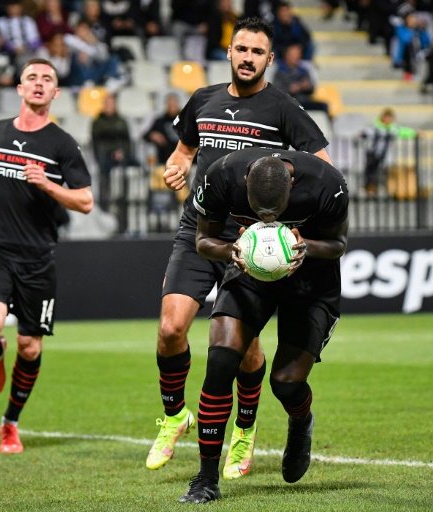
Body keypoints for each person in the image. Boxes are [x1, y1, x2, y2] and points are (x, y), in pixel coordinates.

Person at [147, 17, 331, 480]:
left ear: (270, 59)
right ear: (229, 52)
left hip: (252, 240)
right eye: (242, 49)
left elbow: (322, 171)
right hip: (199, 229)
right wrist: (175, 167)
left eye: (257, 52)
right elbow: (184, 151)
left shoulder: (284, 108)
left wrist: (287, 226)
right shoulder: (202, 99)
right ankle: (174, 416)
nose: (248, 58)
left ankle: (244, 430)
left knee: (241, 347)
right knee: (170, 329)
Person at [177, 148, 349, 503]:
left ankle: (301, 421)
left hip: (311, 279)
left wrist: (306, 246)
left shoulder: (327, 183)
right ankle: (205, 480)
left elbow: (338, 244)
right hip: (248, 270)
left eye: (276, 212)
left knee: (286, 383)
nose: (268, 218)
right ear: (245, 183)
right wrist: (231, 251)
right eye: (260, 212)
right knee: (220, 363)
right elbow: (202, 241)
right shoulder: (220, 176)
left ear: (292, 184)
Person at [0, 58, 93, 454]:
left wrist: (48, 185)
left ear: (55, 93)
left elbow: (85, 201)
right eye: (31, 77)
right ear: (19, 88)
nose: (38, 83)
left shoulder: (62, 144)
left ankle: (10, 424)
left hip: (37, 256)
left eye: (47, 79)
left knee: (31, 348)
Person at [91, 94, 138, 210]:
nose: (109, 106)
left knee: (135, 165)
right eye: (107, 104)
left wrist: (122, 152)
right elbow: (97, 143)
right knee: (104, 169)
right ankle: (104, 203)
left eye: (111, 103)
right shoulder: (98, 122)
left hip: (121, 154)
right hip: (105, 155)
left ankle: (124, 199)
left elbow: (127, 141)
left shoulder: (122, 121)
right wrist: (112, 152)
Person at [362, 108, 416, 195]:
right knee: (371, 172)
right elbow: (365, 133)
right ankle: (368, 188)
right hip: (373, 154)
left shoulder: (392, 129)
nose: (388, 120)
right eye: (386, 118)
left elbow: (404, 131)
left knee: (382, 172)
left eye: (390, 118)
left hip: (385, 155)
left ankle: (380, 188)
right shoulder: (375, 127)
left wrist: (415, 133)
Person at [142, 93, 181, 165]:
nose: (172, 107)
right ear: (166, 105)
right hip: (165, 159)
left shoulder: (186, 120)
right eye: (170, 104)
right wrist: (153, 135)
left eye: (174, 104)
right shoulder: (160, 121)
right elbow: (145, 136)